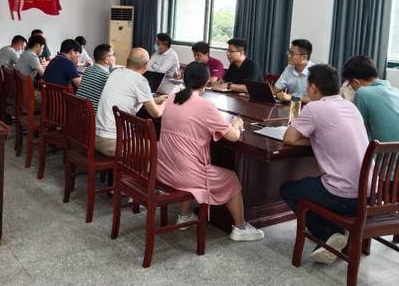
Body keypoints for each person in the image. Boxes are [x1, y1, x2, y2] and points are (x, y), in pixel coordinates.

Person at [157, 62, 265, 241]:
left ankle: (184, 215)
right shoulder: (205, 106)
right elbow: (233, 137)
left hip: (164, 168)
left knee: (186, 158)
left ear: (184, 79)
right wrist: (237, 124)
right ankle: (240, 227)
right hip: (186, 175)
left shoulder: (172, 98)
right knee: (231, 178)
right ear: (206, 82)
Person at [280, 64, 369, 265]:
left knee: (288, 189)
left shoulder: (314, 107)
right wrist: (320, 139)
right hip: (370, 194)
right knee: (314, 184)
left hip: (344, 197)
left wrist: (315, 139)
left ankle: (329, 233)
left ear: (313, 88)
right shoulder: (350, 106)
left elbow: (289, 138)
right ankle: (335, 232)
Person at [95, 48, 167, 156]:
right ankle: (135, 167)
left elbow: (128, 96)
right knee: (154, 147)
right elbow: (156, 113)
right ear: (146, 65)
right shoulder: (140, 81)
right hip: (113, 142)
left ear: (127, 61)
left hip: (96, 136)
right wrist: (165, 102)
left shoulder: (115, 72)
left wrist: (154, 100)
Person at [342, 55, 399, 142]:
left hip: (384, 150)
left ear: (355, 82)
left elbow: (360, 133)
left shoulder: (362, 93)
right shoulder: (396, 91)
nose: (350, 87)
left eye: (349, 84)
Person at [76, 44, 115, 111]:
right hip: (92, 114)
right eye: (113, 55)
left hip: (78, 109)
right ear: (106, 60)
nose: (114, 57)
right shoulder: (106, 77)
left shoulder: (88, 69)